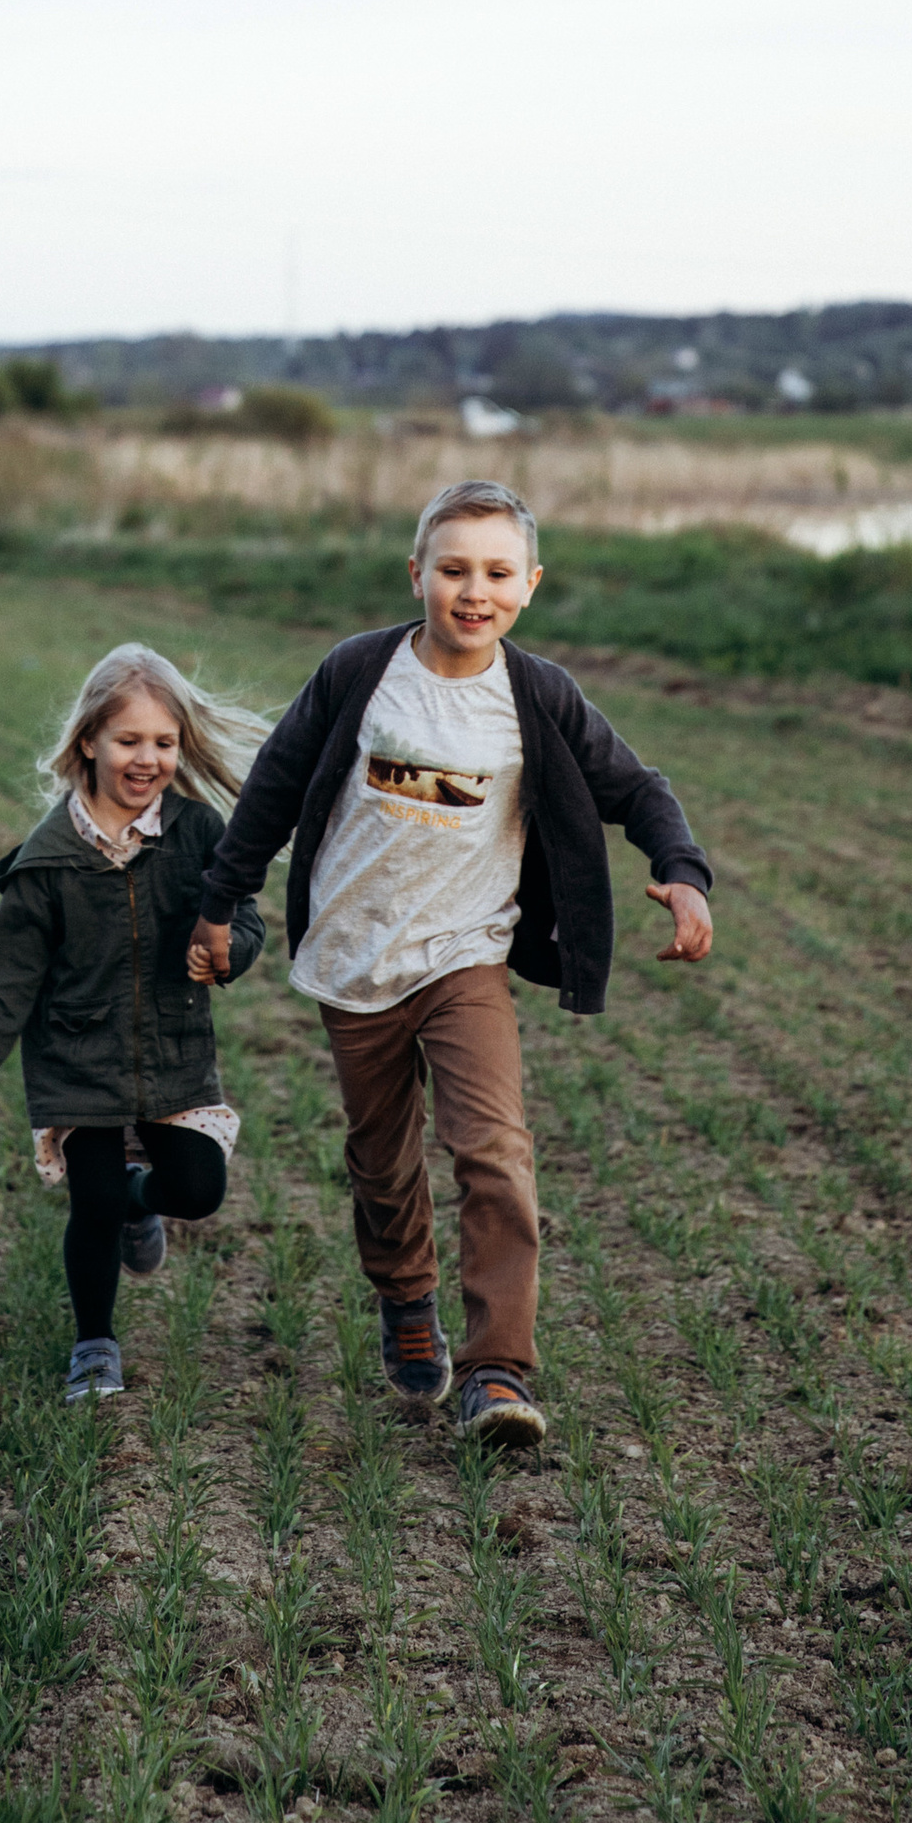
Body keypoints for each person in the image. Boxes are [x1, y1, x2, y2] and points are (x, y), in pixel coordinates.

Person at [187, 480, 712, 1449]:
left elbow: (637, 788)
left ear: (530, 584)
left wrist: (682, 875)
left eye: (498, 573)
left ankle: (498, 1370)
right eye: (455, 568)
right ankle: (405, 1297)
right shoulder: (360, 671)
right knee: (382, 1164)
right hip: (354, 956)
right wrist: (220, 901)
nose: (475, 591)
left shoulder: (537, 696)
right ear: (417, 573)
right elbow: (272, 788)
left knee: (492, 1151)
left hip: (467, 955)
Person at [0, 645, 266, 1403]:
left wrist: (227, 951)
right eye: (128, 741)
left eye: (163, 742)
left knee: (196, 1190)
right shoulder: (49, 859)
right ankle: (94, 1346)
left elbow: (240, 913)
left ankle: (137, 1202)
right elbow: (8, 971)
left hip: (173, 1050)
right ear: (89, 740)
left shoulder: (196, 832)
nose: (147, 758)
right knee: (91, 1204)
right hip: (78, 1056)